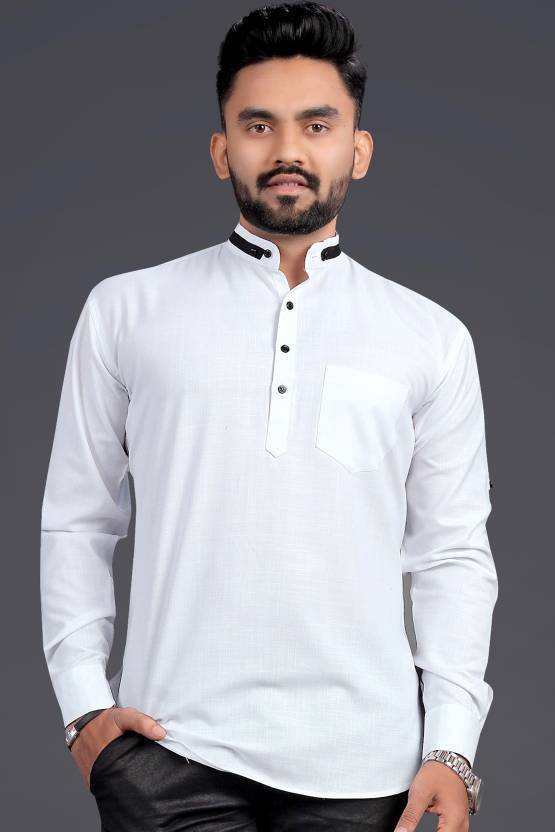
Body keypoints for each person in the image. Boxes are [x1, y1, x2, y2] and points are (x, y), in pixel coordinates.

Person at [40, 2, 498, 830]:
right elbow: (78, 520)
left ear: (357, 149)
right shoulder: (127, 311)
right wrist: (83, 710)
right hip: (168, 756)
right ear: (222, 149)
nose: (288, 150)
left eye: (316, 125)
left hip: (367, 767)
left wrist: (451, 747)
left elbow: (451, 555)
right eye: (259, 125)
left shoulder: (429, 337)